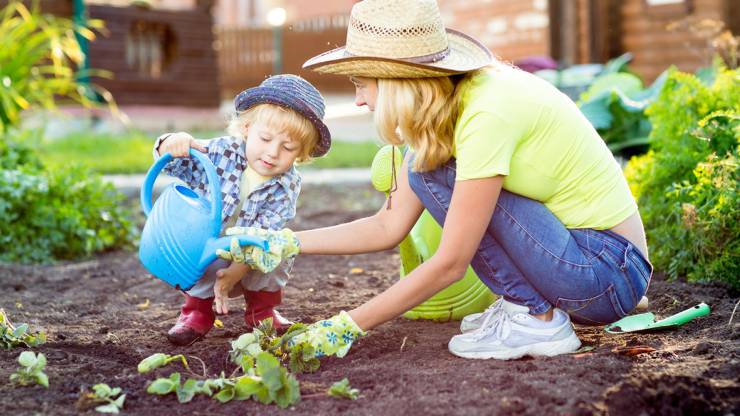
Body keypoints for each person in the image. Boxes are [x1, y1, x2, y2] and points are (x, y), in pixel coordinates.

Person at [222, 0, 653, 360]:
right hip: (581, 262)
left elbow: (450, 262)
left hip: (606, 273)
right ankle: (529, 308)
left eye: (362, 83)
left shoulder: (486, 113)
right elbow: (387, 226)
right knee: (423, 165)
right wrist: (283, 240)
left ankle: (536, 320)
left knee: (426, 167)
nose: (357, 99)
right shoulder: (452, 107)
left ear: (398, 81)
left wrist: (343, 328)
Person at [154, 74, 331, 346]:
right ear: (247, 128)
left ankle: (262, 312)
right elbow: (173, 164)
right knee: (200, 253)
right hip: (206, 246)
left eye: (287, 147)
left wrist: (237, 270)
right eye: (265, 138)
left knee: (278, 248)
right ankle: (196, 312)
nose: (272, 153)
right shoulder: (219, 152)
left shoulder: (287, 182)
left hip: (249, 250)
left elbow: (264, 231)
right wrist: (173, 142)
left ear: (301, 154)